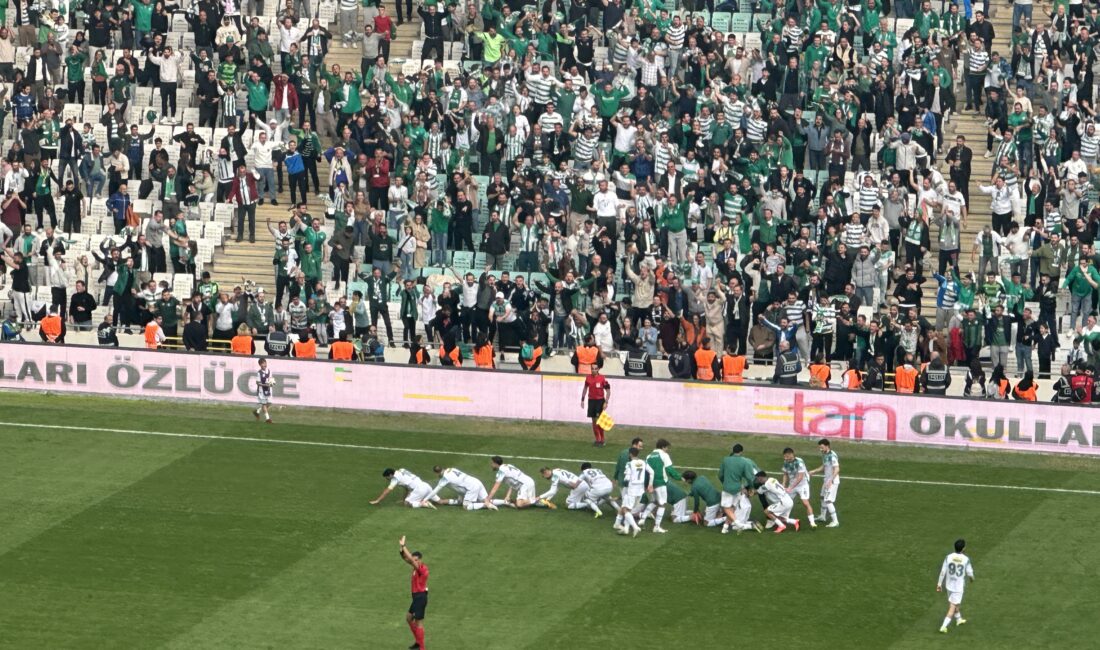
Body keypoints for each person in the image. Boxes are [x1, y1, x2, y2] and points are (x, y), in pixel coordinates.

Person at [639, 439, 681, 533]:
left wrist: (648, 485)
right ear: (663, 447)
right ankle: (656, 526)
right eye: (667, 447)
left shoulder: (649, 456)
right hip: (660, 482)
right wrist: (679, 477)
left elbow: (647, 472)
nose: (667, 449)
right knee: (662, 504)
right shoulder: (664, 455)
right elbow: (669, 469)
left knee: (654, 501)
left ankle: (643, 518)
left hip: (651, 483)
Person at [936, 538, 975, 634]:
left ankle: (958, 619)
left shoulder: (948, 557)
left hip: (949, 585)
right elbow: (970, 573)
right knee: (952, 606)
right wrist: (972, 579)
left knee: (955, 602)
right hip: (958, 587)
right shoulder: (966, 559)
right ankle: (943, 626)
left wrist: (939, 584)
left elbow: (943, 571)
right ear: (963, 548)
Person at [398, 535, 429, 650]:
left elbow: (410, 559)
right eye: (414, 560)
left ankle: (422, 648)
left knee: (418, 622)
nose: (414, 562)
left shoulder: (422, 570)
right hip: (416, 598)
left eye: (416, 560)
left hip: (420, 597)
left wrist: (404, 546)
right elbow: (406, 559)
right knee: (409, 618)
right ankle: (418, 642)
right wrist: (401, 550)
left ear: (420, 560)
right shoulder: (416, 568)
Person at [717, 443, 759, 527]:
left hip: (727, 488)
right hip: (738, 489)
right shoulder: (744, 461)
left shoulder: (726, 460)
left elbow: (720, 475)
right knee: (733, 507)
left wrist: (724, 482)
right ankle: (725, 527)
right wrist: (751, 487)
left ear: (732, 451)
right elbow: (749, 478)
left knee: (726, 508)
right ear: (741, 452)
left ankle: (738, 523)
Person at [422, 466, 498, 511]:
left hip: (471, 487)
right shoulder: (451, 469)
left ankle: (485, 505)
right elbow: (458, 483)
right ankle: (504, 502)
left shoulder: (444, 479)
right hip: (476, 481)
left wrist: (424, 500)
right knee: (487, 499)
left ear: (436, 473)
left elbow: (435, 491)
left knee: (466, 507)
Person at [616, 448, 652, 537]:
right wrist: (650, 485)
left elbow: (627, 478)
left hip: (632, 489)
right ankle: (626, 529)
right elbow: (652, 472)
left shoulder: (629, 464)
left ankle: (635, 527)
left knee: (625, 509)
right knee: (629, 509)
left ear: (630, 454)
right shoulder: (643, 462)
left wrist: (624, 481)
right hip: (640, 490)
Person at [809, 438, 841, 527]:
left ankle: (835, 521)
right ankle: (822, 516)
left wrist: (831, 480)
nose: (821, 449)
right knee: (822, 497)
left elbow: (837, 469)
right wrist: (814, 471)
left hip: (832, 481)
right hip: (827, 480)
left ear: (827, 446)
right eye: (820, 448)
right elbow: (824, 466)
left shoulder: (832, 456)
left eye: (822, 447)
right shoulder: (825, 454)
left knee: (828, 500)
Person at [370, 468, 440, 509]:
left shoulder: (395, 479)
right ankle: (448, 501)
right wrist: (403, 499)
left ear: (391, 475)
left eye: (387, 477)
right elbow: (407, 487)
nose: (386, 479)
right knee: (440, 501)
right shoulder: (401, 469)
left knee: (406, 503)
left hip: (419, 489)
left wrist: (377, 500)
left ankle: (424, 503)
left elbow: (387, 491)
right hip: (425, 485)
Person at [782, 448, 817, 528]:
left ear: (791, 454)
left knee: (805, 503)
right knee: (786, 502)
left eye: (786, 456)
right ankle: (784, 519)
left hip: (802, 485)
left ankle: (812, 523)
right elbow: (785, 474)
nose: (785, 458)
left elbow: (800, 477)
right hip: (792, 485)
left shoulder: (799, 462)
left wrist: (790, 487)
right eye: (784, 456)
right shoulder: (786, 462)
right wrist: (783, 484)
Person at [580, 363, 610, 446]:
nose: (593, 370)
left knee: (598, 420)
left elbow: (608, 391)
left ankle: (602, 439)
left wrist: (606, 402)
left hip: (600, 401)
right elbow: (585, 388)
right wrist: (582, 400)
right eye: (592, 368)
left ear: (598, 369)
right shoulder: (588, 378)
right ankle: (597, 439)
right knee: (593, 420)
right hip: (591, 401)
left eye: (595, 369)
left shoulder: (602, 378)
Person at [253, 358, 273, 423]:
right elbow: (257, 383)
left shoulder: (269, 371)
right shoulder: (259, 373)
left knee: (269, 403)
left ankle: (257, 411)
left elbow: (270, 379)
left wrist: (272, 382)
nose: (264, 365)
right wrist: (265, 385)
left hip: (268, 389)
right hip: (261, 390)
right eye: (263, 364)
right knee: (264, 404)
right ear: (260, 365)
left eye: (265, 363)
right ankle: (268, 419)